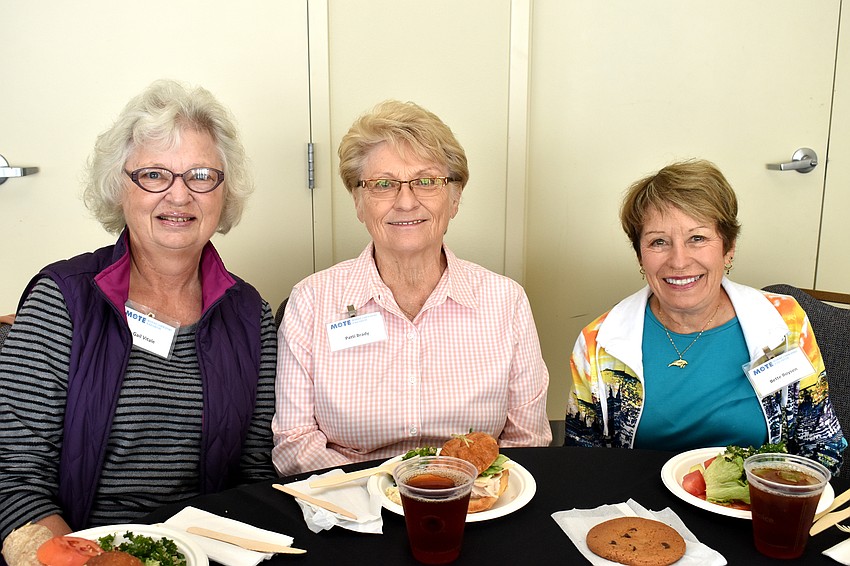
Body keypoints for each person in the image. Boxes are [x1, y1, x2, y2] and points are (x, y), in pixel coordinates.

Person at [0, 80, 277, 548]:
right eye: (153, 174)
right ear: (119, 187)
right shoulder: (62, 299)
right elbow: (14, 478)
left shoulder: (252, 316)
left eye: (201, 175)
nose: (179, 195)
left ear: (223, 194)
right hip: (81, 551)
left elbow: (255, 476)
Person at [272, 100, 551, 476]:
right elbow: (294, 443)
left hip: (476, 505)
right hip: (351, 507)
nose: (406, 201)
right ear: (358, 200)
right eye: (383, 184)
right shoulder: (310, 302)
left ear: (455, 197)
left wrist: (468, 494)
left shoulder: (506, 301)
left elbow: (527, 442)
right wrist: (383, 492)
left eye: (426, 181)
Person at [565, 159, 846, 474]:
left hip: (752, 510)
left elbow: (823, 451)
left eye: (697, 238)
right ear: (640, 256)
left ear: (728, 248)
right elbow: (582, 466)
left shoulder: (784, 322)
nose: (679, 261)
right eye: (659, 242)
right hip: (643, 513)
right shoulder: (599, 342)